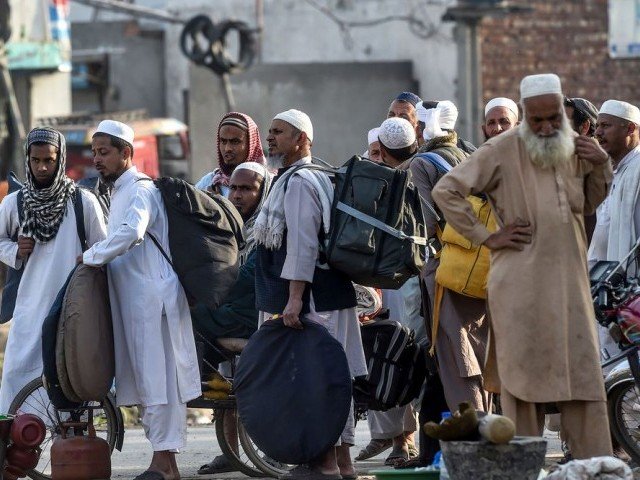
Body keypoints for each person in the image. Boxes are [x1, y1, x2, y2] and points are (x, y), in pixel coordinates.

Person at [432, 73, 613, 459]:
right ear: (526, 114)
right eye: (538, 120)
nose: (546, 128)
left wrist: (600, 166)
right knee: (523, 378)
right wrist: (486, 236)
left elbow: (588, 206)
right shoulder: (500, 149)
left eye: (553, 118)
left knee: (580, 371)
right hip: (520, 283)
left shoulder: (575, 148)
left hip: (570, 283)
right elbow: (446, 190)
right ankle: (523, 464)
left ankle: (594, 462)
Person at [81, 120, 201, 480]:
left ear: (126, 154)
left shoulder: (140, 190)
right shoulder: (118, 191)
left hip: (154, 301)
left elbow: (131, 232)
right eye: (95, 153)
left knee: (160, 381)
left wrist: (90, 256)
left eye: (105, 153)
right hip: (137, 303)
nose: (97, 160)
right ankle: (165, 464)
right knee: (150, 381)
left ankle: (164, 462)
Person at [254, 109, 367, 480]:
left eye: (279, 132)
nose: (271, 138)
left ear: (302, 139)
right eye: (269, 131)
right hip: (332, 293)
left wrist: (295, 298)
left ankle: (325, 463)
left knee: (318, 380)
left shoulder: (301, 181)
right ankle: (343, 463)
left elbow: (303, 245)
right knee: (335, 378)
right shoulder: (312, 175)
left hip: (316, 298)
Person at [0, 127, 106, 412]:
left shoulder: (83, 202)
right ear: (28, 159)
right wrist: (14, 250)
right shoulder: (15, 204)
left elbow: (104, 248)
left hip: (71, 305)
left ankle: (65, 435)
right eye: (36, 160)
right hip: (29, 306)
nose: (42, 167)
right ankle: (20, 441)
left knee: (67, 371)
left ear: (61, 159)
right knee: (17, 372)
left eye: (49, 160)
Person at [194, 161, 272, 475]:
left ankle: (205, 382)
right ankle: (230, 448)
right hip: (235, 309)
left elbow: (240, 281)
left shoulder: (268, 226)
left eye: (246, 189)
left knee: (194, 318)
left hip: (254, 315)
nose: (237, 195)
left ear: (262, 191)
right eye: (234, 188)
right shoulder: (228, 223)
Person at [356, 118, 420, 466]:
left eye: (382, 153)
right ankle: (386, 436)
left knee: (400, 353)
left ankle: (404, 440)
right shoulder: (366, 184)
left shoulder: (408, 181)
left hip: (403, 282)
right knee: (376, 357)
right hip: (371, 282)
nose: (377, 159)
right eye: (373, 153)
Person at [195, 112, 266, 195]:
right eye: (223, 141)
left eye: (235, 142)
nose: (227, 148)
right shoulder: (209, 182)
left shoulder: (266, 184)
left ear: (251, 145)